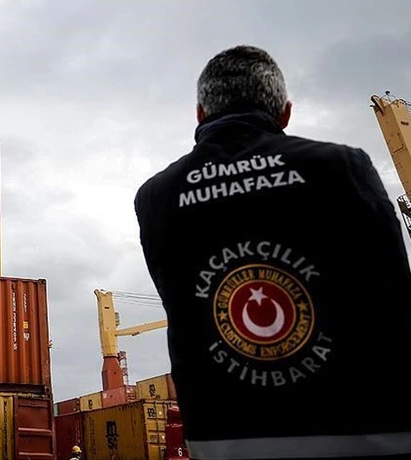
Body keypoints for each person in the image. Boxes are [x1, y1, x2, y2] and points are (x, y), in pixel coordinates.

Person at [134, 45, 411, 460]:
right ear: (285, 112)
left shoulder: (156, 195)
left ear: (200, 113)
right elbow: (393, 294)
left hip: (223, 438)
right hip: (367, 430)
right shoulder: (340, 166)